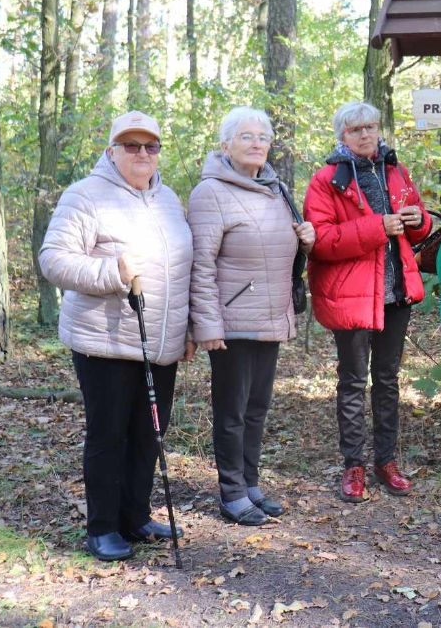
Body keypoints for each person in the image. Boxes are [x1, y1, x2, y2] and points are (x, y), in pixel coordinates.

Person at [38, 110, 195, 562]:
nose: (142, 153)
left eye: (150, 146)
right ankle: (103, 527)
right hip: (103, 341)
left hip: (159, 342)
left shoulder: (169, 199)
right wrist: (111, 271)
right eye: (131, 145)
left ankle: (136, 517)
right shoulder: (84, 195)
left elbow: (182, 270)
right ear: (112, 151)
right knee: (108, 435)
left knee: (149, 432)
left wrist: (184, 329)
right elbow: (53, 260)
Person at [188, 108, 316, 526]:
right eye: (246, 136)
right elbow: (201, 265)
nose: (258, 142)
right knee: (232, 410)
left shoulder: (274, 189)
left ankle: (251, 484)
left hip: (269, 316)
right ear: (225, 146)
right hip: (231, 321)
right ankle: (231, 492)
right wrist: (206, 325)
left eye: (263, 136)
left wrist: (306, 240)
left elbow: (283, 254)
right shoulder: (210, 193)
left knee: (257, 407)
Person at [304, 101, 432, 503]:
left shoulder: (394, 170)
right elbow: (321, 242)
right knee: (354, 381)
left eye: (371, 127)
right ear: (342, 135)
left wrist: (419, 221)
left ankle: (386, 461)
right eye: (356, 129)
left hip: (396, 293)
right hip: (352, 294)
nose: (365, 134)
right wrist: (378, 226)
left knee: (389, 380)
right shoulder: (326, 180)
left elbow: (419, 227)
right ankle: (353, 465)